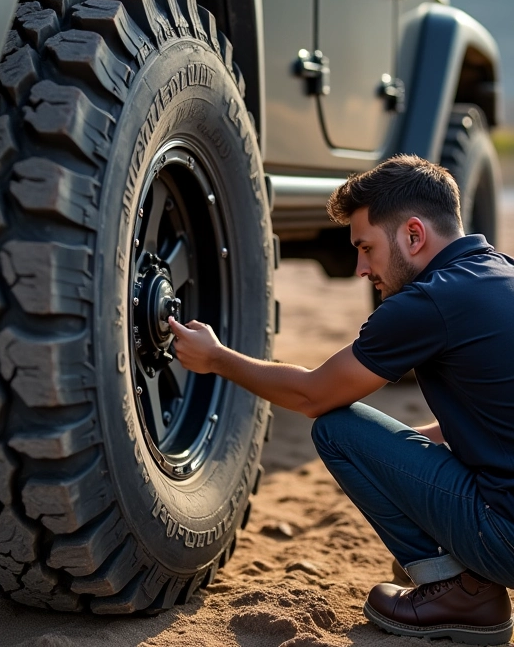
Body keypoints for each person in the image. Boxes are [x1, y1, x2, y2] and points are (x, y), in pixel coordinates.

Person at [169, 154, 514, 644]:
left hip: (506, 538)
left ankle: (462, 593)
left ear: (413, 236)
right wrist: (406, 452)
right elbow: (497, 417)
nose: (359, 269)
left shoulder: (429, 301)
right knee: (399, 443)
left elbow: (312, 394)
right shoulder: (501, 274)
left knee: (338, 429)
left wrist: (218, 358)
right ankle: (464, 579)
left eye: (366, 247)